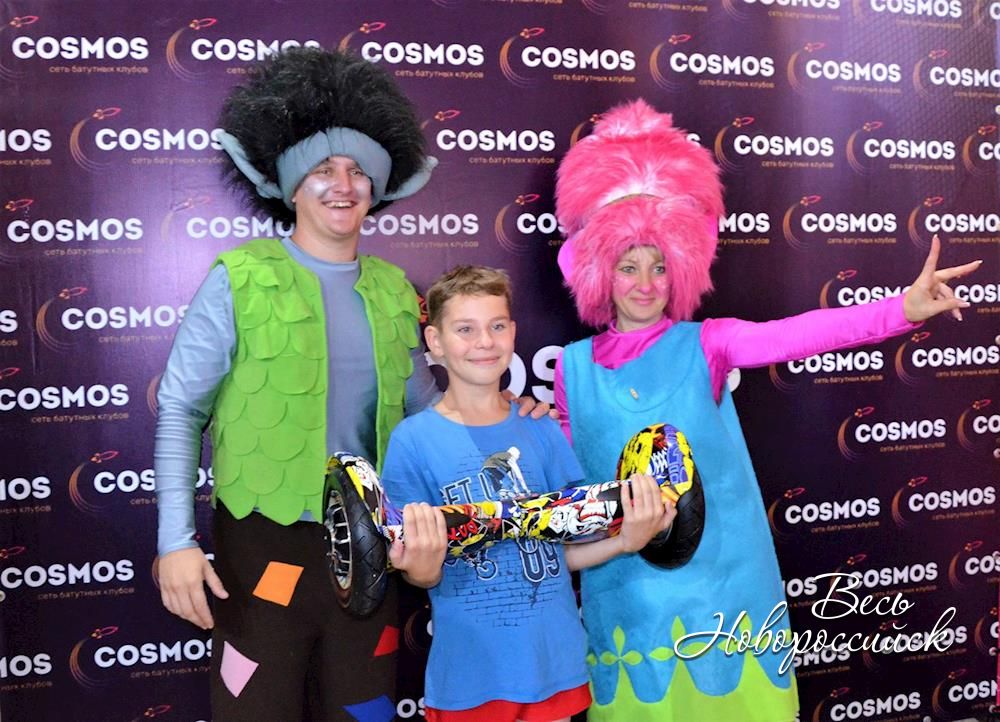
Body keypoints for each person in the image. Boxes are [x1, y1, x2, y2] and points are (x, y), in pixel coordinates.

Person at [551, 99, 982, 722]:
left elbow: (799, 335)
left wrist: (901, 310)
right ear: (600, 273)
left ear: (680, 270)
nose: (646, 283)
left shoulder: (709, 343)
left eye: (659, 267)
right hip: (626, 602)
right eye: (628, 267)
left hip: (725, 597)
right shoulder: (572, 368)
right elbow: (567, 480)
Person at [153, 48, 547, 721]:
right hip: (263, 543)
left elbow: (425, 406)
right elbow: (180, 410)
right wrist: (174, 542)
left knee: (363, 706)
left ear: (379, 186)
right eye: (322, 169)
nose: (343, 184)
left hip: (373, 542)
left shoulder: (394, 290)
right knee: (255, 706)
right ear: (288, 185)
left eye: (358, 169)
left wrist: (507, 419)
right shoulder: (239, 279)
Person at [380, 265, 677, 722]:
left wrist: (625, 541)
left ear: (513, 333)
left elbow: (563, 549)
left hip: (555, 665)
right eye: (465, 329)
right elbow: (418, 571)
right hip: (471, 677)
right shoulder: (412, 441)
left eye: (497, 326)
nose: (484, 342)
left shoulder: (540, 427)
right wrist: (418, 566)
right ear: (435, 342)